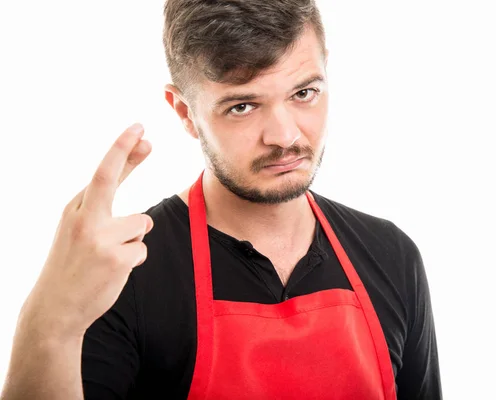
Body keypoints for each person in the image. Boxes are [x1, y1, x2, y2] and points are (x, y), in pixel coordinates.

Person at [0, 1, 442, 399]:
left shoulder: (392, 255)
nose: (285, 136)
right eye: (242, 107)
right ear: (184, 112)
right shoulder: (125, 275)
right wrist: (49, 324)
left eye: (304, 93)